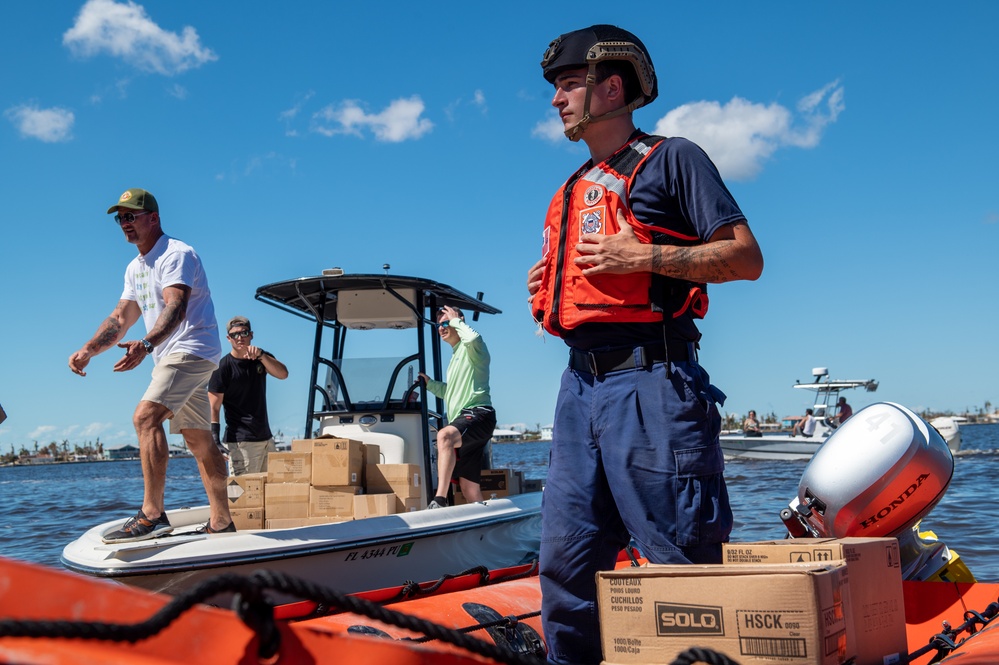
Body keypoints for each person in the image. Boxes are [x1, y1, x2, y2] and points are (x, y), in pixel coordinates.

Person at [526, 25, 764, 665]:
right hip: (578, 388)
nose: (556, 100)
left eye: (568, 84)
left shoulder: (673, 158)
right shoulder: (574, 186)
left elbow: (745, 258)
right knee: (567, 560)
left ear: (612, 87)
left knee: (679, 554)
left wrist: (645, 254)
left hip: (653, 384)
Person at [69, 188, 234, 541]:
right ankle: (222, 520)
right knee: (198, 440)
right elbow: (121, 317)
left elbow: (176, 308)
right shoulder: (135, 267)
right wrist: (89, 349)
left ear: (153, 218)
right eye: (120, 218)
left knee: (145, 417)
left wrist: (145, 345)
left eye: (131, 216)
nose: (124, 224)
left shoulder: (177, 254)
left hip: (190, 348)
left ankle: (152, 513)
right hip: (170, 353)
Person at [417, 306, 496, 508]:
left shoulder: (474, 349)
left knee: (444, 436)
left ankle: (439, 500)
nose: (442, 328)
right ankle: (486, 528)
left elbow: (473, 339)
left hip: (479, 414)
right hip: (465, 419)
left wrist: (456, 321)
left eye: (446, 323)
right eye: (439, 325)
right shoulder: (455, 355)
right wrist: (430, 384)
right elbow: (450, 392)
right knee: (469, 488)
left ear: (458, 322)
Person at [208, 316, 289, 475]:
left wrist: (261, 356)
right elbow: (213, 407)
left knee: (268, 492)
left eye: (244, 333)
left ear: (251, 334)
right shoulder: (222, 368)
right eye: (234, 335)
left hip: (266, 439)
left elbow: (283, 374)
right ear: (228, 338)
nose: (240, 338)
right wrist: (215, 440)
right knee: (242, 496)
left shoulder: (261, 358)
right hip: (241, 443)